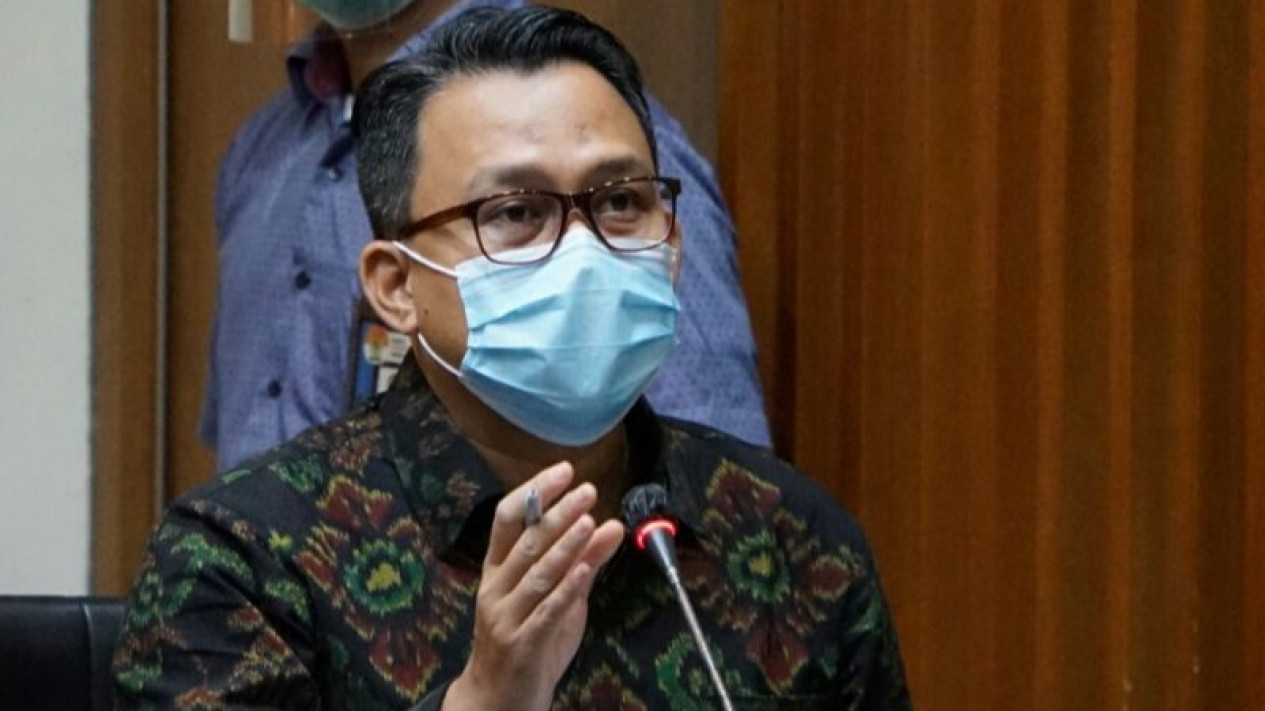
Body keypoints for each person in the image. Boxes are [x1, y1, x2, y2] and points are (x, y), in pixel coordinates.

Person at [114, 7, 910, 710]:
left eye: (620, 202)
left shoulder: (791, 538)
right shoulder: (244, 560)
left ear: (672, 241)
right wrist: (483, 702)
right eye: (516, 211)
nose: (583, 250)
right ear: (395, 285)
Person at [203, 0, 771, 472]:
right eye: (517, 210)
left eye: (516, 211)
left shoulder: (604, 153)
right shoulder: (263, 152)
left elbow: (714, 476)